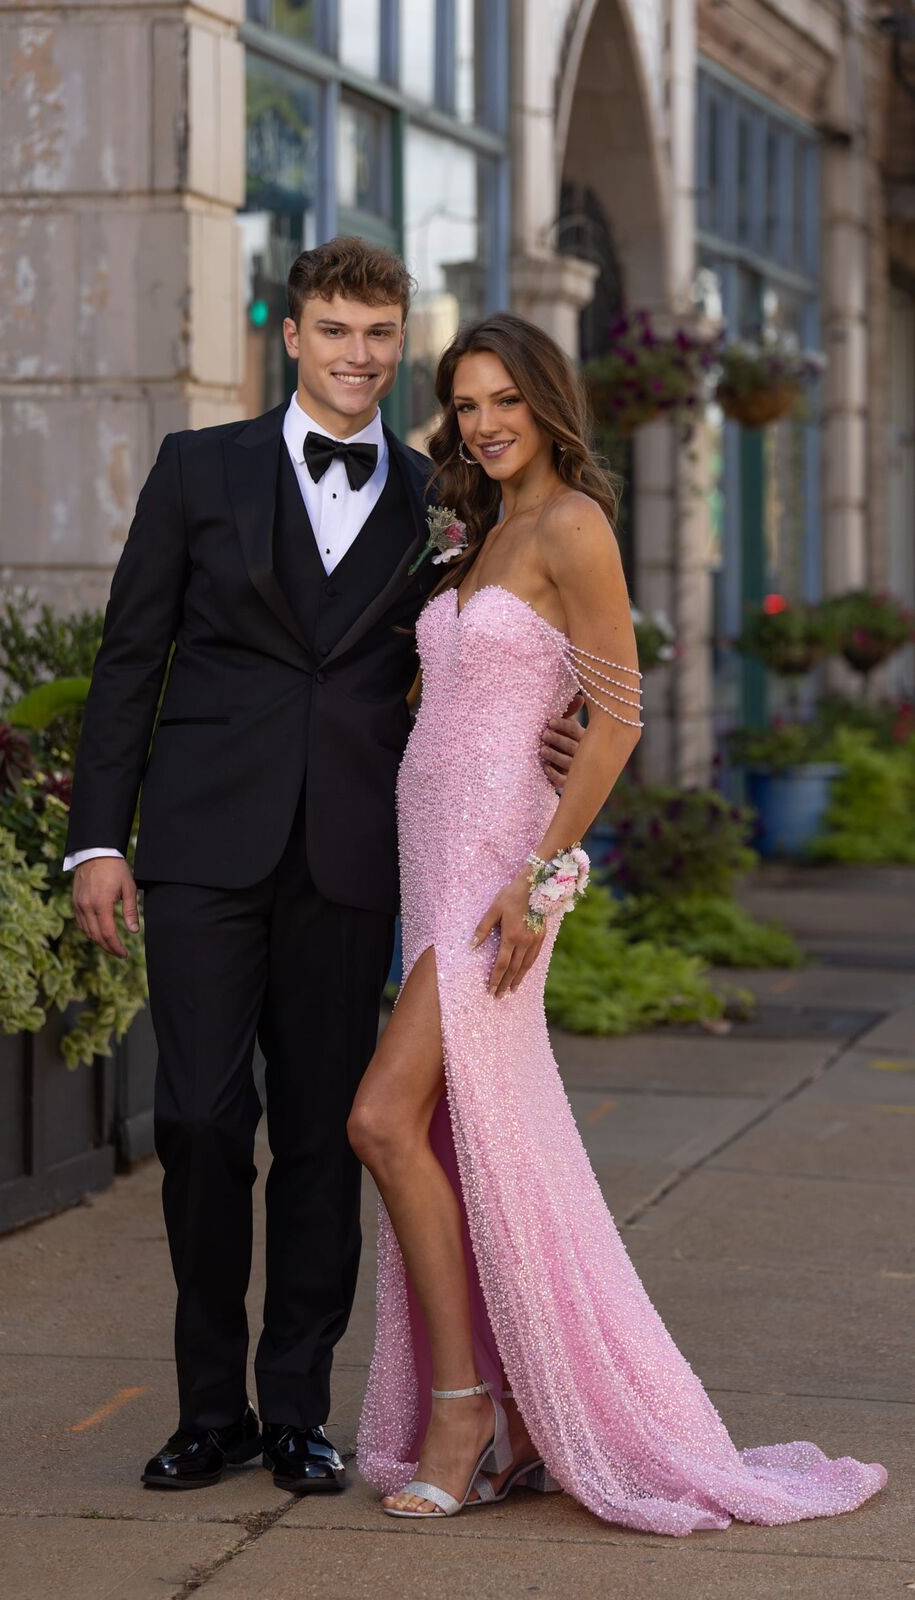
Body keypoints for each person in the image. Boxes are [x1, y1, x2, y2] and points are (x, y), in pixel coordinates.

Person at [349, 312, 887, 1533]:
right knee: (448, 1137)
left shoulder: (574, 526)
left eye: (503, 401)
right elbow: (488, 699)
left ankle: (464, 1409)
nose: (484, 424)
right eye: (465, 404)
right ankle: (511, 1412)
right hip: (425, 852)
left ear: (546, 402)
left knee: (381, 1119)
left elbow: (620, 714)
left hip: (492, 870)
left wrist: (540, 874)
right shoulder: (476, 531)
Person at [64, 240, 585, 1494]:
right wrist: (95, 835)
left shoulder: (436, 500)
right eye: (335, 329)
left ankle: (294, 1405)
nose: (359, 354)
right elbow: (131, 654)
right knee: (196, 1117)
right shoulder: (199, 468)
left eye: (379, 333)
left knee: (319, 1132)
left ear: (397, 342)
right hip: (199, 842)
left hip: (356, 848)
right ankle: (209, 1407)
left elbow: (488, 651)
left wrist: (553, 727)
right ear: (289, 335)